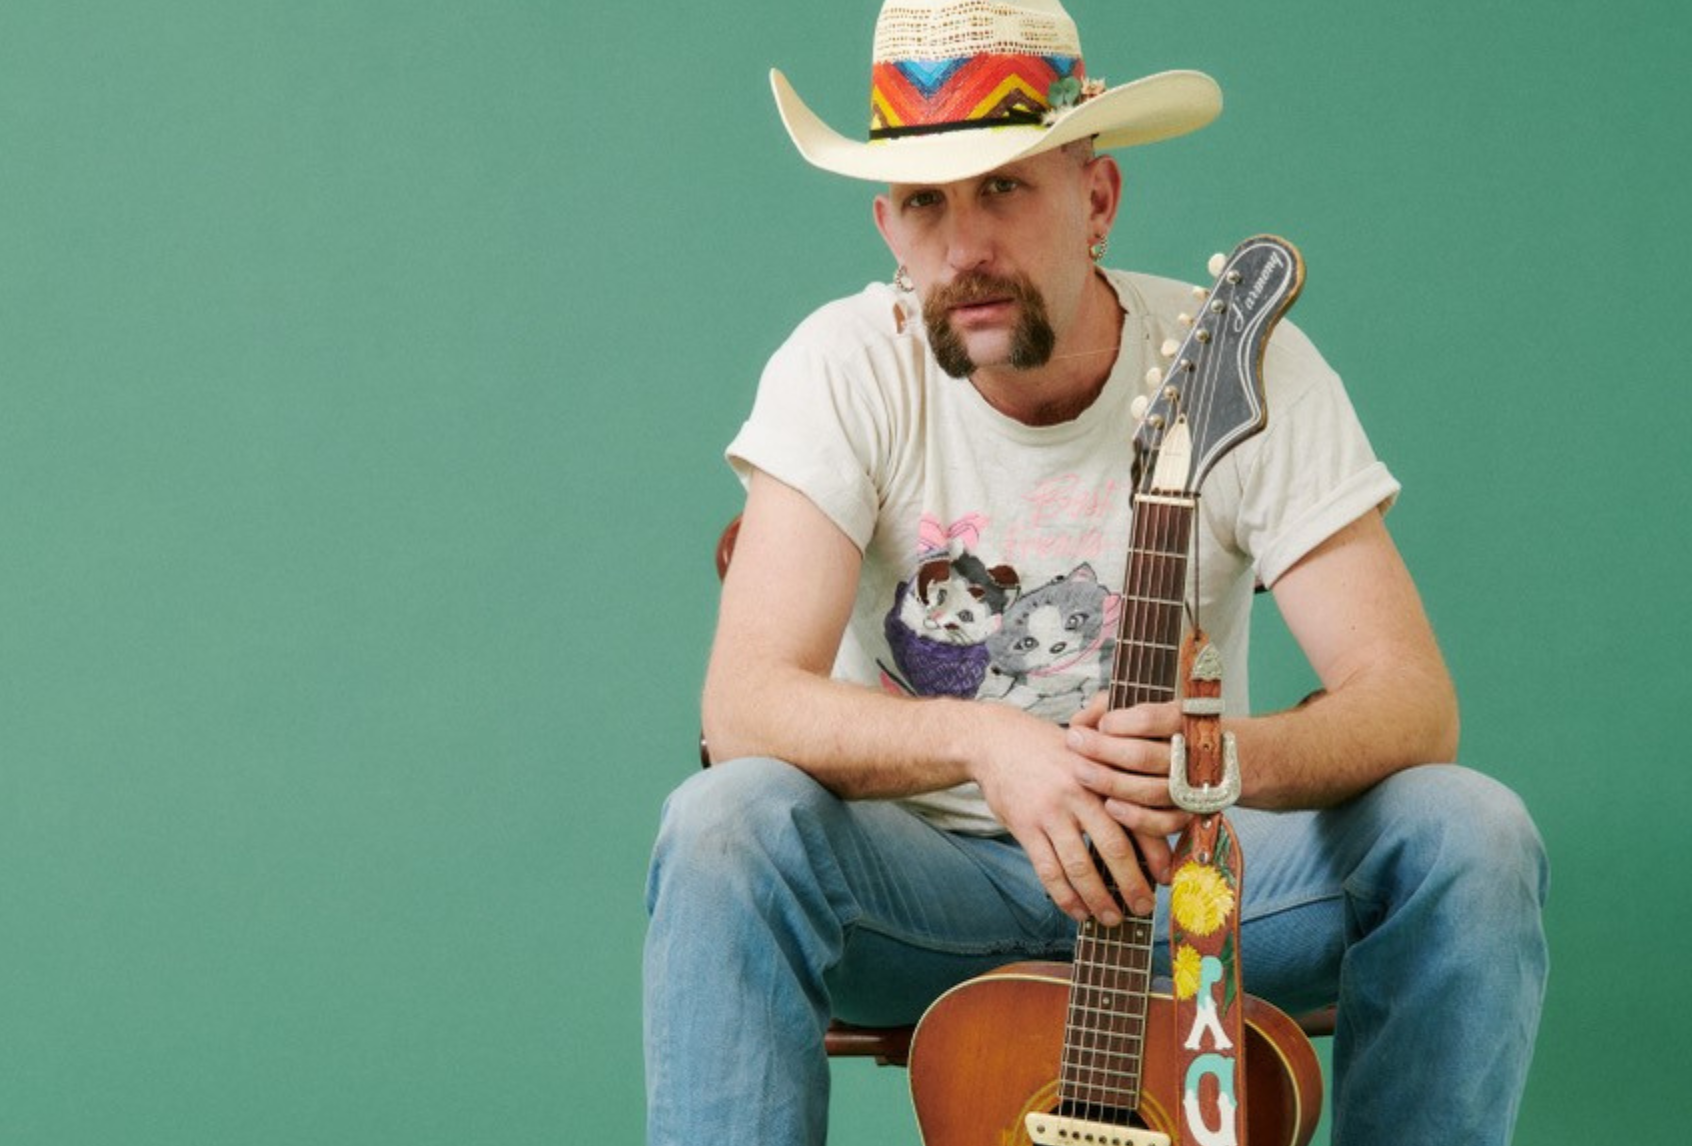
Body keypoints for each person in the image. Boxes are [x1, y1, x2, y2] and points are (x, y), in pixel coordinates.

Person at [645, 2, 1547, 1142]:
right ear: (887, 227)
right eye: (927, 202)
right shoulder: (841, 366)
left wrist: (1216, 764)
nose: (965, 245)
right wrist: (990, 743)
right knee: (726, 821)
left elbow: (1409, 699)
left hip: (1188, 892)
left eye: (1008, 186)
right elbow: (744, 705)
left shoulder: (1239, 365)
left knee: (1471, 834)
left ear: (1098, 199)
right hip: (919, 892)